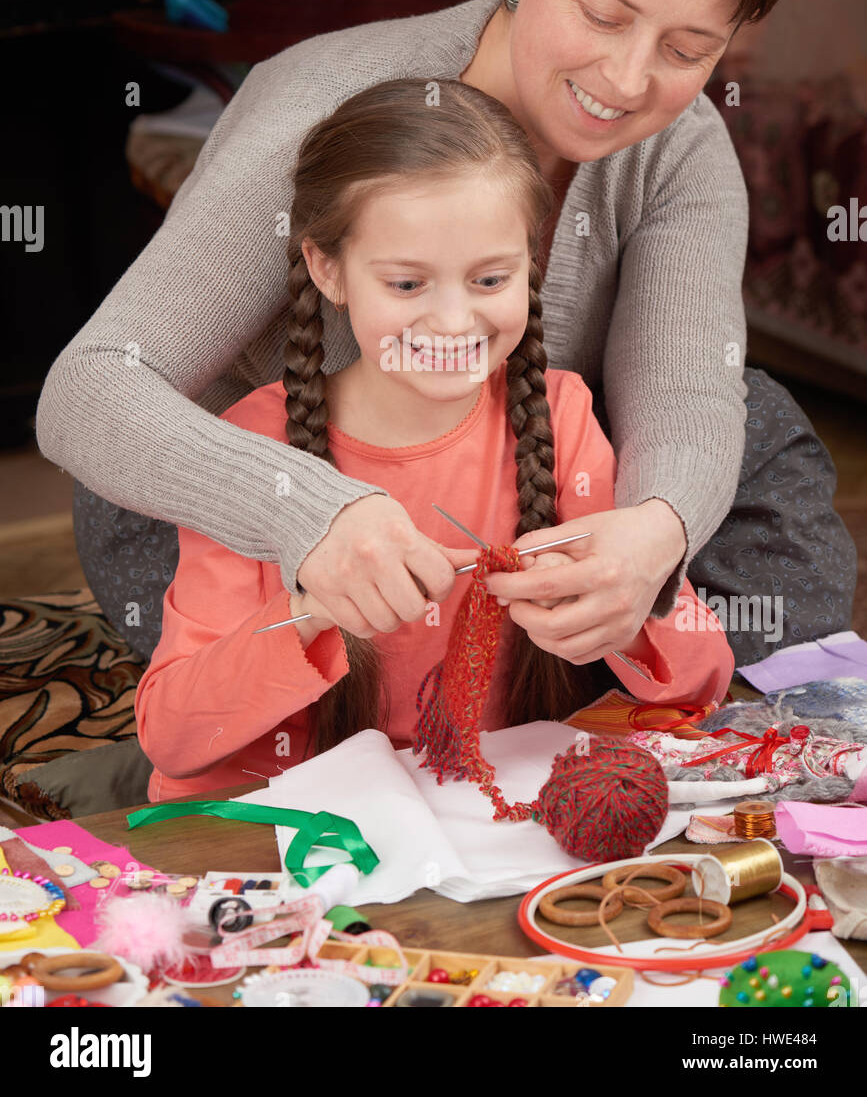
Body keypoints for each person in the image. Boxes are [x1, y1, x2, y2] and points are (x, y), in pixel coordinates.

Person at [37, 0, 856, 672]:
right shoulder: (318, 106)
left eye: (685, 50)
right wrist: (308, 511)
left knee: (753, 434)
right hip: (274, 506)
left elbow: (682, 391)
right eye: (601, 15)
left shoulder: (681, 145)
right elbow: (89, 390)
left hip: (510, 489)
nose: (627, 80)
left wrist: (651, 540)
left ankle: (560, 672)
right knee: (306, 693)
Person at [134, 78, 734, 801]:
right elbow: (171, 737)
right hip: (290, 835)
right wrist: (315, 610)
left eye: (488, 279)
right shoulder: (255, 443)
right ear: (327, 269)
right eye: (408, 285)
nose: (453, 324)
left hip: (485, 815)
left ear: (532, 262)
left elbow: (701, 683)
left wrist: (625, 609)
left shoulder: (559, 414)